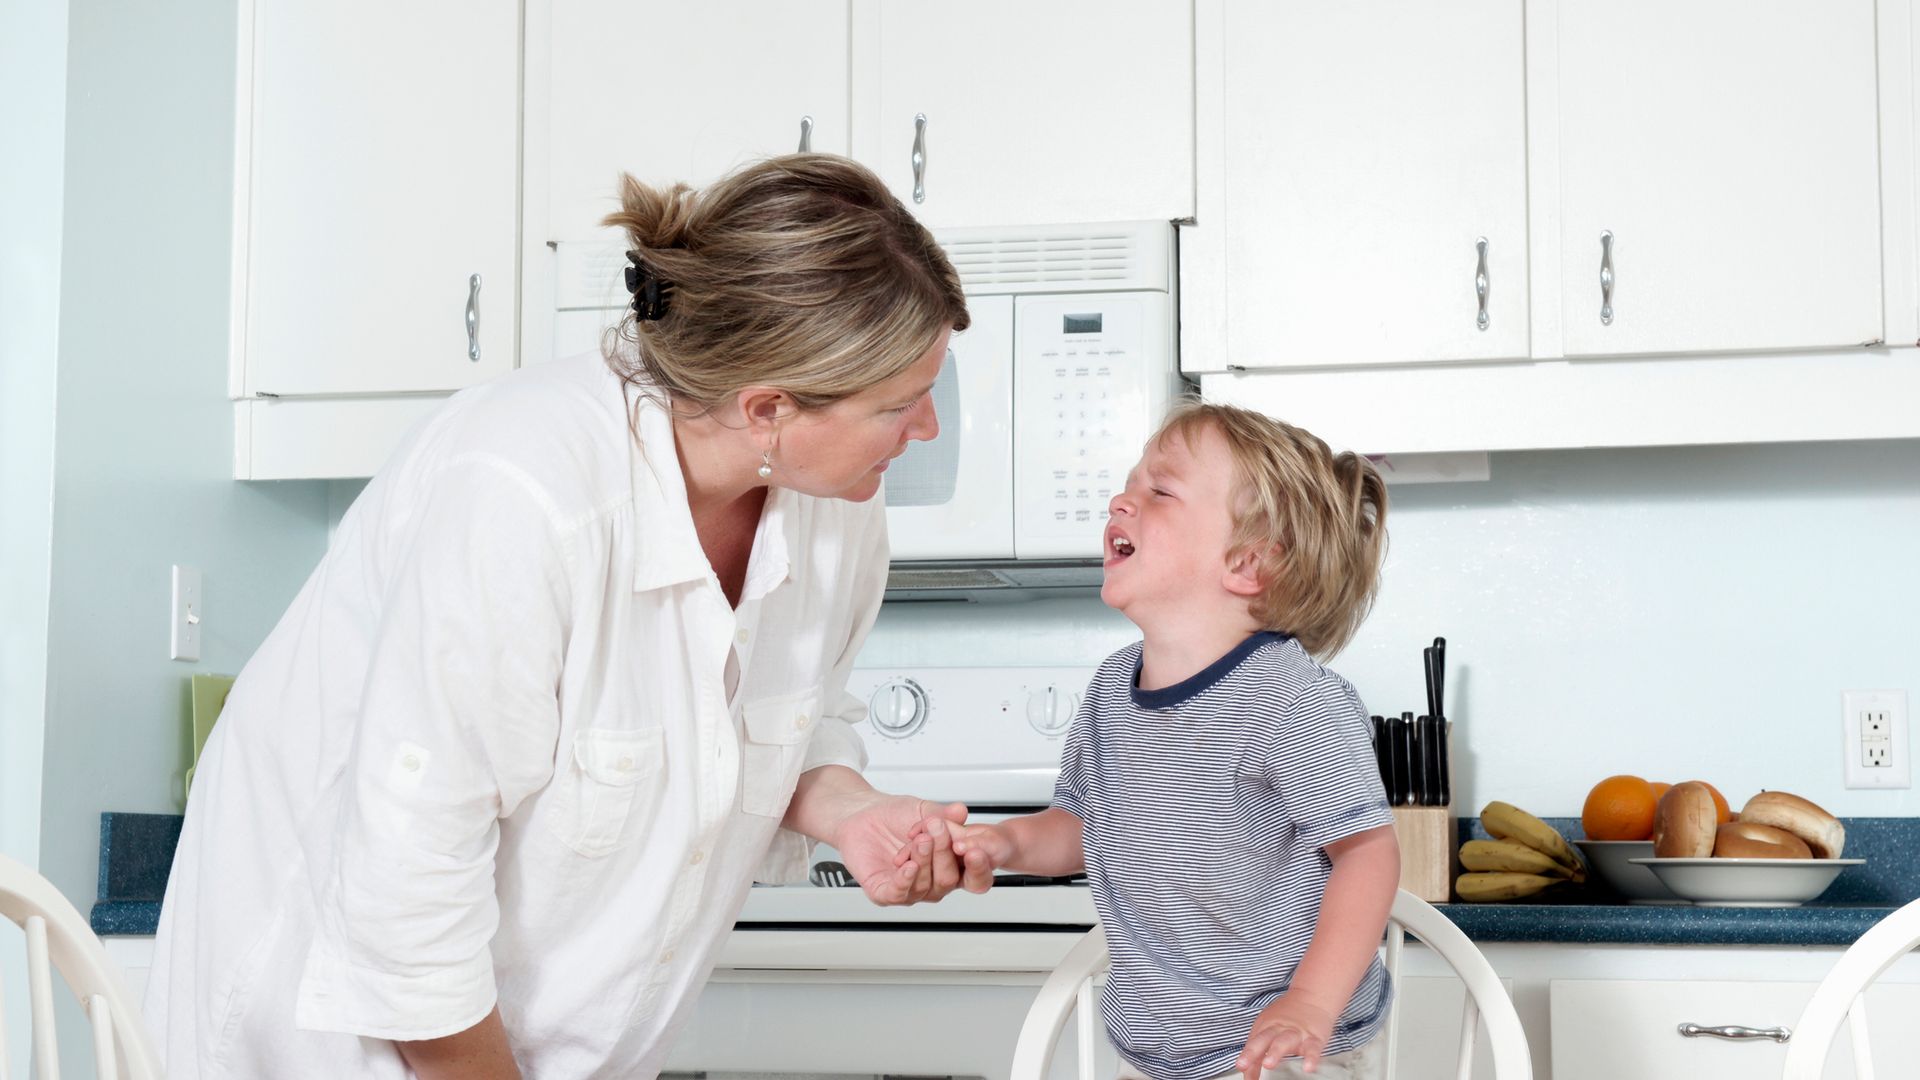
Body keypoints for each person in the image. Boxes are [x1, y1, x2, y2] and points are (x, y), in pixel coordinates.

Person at [146, 154, 992, 1080]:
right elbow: (409, 892)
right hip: (329, 1040)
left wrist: (851, 810)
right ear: (769, 409)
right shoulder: (524, 494)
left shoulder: (837, 507)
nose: (926, 434)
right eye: (901, 406)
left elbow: (784, 713)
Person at [943, 402, 1399, 1080]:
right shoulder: (1111, 690)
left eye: (1159, 490)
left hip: (1279, 1051)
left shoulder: (1292, 700)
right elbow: (1083, 827)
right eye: (1131, 483)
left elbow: (1368, 856)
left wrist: (1310, 1002)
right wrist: (1004, 843)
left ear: (1247, 562)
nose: (1121, 500)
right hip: (1157, 1051)